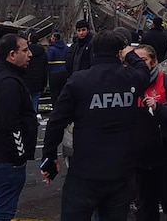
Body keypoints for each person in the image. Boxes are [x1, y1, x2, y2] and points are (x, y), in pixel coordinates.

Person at [41, 29, 151, 221]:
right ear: (119, 53)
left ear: (93, 51)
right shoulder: (131, 78)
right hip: (121, 171)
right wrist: (130, 53)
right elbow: (144, 70)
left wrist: (49, 157)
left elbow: (56, 122)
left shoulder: (79, 81)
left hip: (85, 170)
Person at [0, 33, 37, 221]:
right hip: (5, 159)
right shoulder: (8, 83)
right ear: (12, 55)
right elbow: (10, 125)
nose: (30, 54)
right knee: (3, 211)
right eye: (25, 50)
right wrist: (19, 156)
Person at [133, 45, 167, 221]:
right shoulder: (130, 85)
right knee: (145, 208)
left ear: (154, 61)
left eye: (143, 61)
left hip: (165, 156)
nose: (139, 66)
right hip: (139, 160)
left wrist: (159, 108)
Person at [22, 31, 47, 113]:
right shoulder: (43, 53)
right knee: (35, 101)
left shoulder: (25, 52)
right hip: (38, 82)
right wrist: (44, 85)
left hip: (26, 81)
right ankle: (34, 118)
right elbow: (45, 70)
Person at [46, 33, 69, 104]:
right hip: (65, 72)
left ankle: (55, 109)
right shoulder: (66, 48)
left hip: (54, 73)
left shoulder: (51, 49)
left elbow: (48, 60)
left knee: (54, 93)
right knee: (63, 92)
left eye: (52, 38)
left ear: (55, 39)